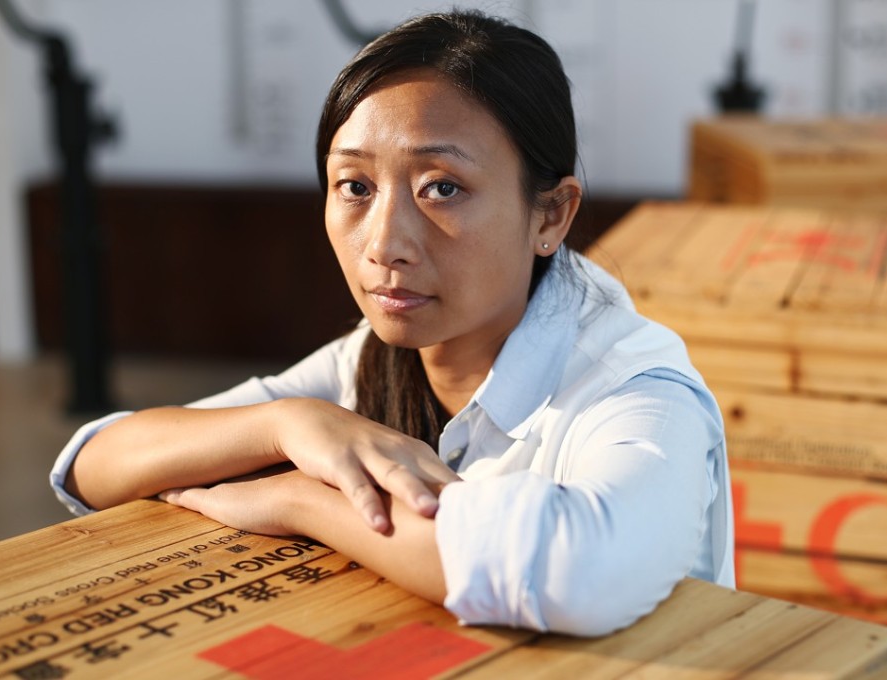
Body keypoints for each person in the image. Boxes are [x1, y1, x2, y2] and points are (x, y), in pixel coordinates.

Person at [51, 10, 734, 637]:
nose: (383, 244)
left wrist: (303, 501)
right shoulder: (366, 360)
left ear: (550, 215)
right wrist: (282, 423)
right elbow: (94, 463)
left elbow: (577, 575)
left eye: (442, 187)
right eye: (356, 186)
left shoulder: (637, 387)